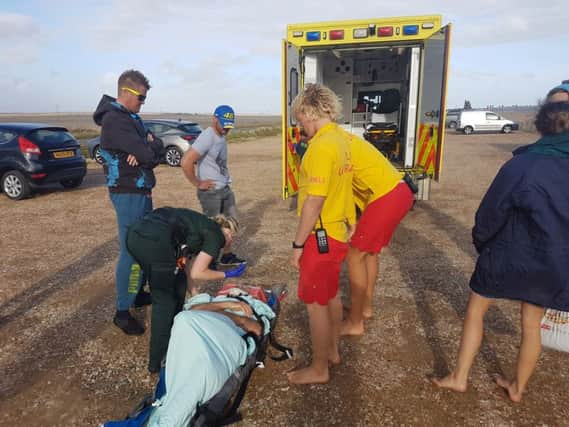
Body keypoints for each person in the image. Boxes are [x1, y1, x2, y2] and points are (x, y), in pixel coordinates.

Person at [433, 99, 569, 402]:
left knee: (475, 311)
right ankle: (517, 388)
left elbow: (491, 212)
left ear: (541, 126)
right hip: (552, 261)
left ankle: (459, 377)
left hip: (508, 254)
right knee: (532, 324)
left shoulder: (522, 164)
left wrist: (482, 243)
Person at [125, 207, 247, 373]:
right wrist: (226, 273)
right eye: (230, 234)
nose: (230, 239)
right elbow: (199, 272)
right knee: (165, 301)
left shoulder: (197, 226)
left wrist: (196, 298)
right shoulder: (215, 235)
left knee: (179, 282)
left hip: (135, 234)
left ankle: (176, 334)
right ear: (223, 229)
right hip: (155, 241)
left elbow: (189, 269)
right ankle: (158, 361)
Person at [288, 84, 355, 385]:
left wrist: (298, 244)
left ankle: (319, 368)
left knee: (315, 303)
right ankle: (333, 352)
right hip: (338, 232)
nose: (299, 125)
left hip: (320, 236)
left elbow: (314, 201)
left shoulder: (319, 148)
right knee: (331, 295)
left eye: (299, 118)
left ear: (307, 111)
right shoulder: (342, 140)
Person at [93, 69, 164, 336]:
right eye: (141, 98)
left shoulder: (132, 118)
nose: (143, 103)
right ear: (126, 92)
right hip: (128, 192)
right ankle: (122, 312)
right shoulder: (115, 120)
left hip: (140, 189)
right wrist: (145, 150)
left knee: (142, 246)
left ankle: (135, 294)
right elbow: (147, 151)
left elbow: (152, 148)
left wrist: (149, 148)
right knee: (132, 250)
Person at [340, 133, 414, 336]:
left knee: (354, 255)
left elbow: (340, 189)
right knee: (370, 253)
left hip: (385, 197)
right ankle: (365, 308)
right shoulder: (344, 138)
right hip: (399, 191)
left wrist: (348, 222)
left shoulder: (330, 145)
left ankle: (355, 323)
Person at [180, 105, 245, 267]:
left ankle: (227, 256)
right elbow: (186, 161)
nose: (226, 129)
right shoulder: (207, 136)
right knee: (212, 228)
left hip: (224, 188)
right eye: (224, 124)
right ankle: (208, 261)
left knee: (231, 223)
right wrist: (197, 182)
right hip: (211, 193)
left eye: (229, 126)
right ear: (214, 118)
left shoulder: (221, 136)